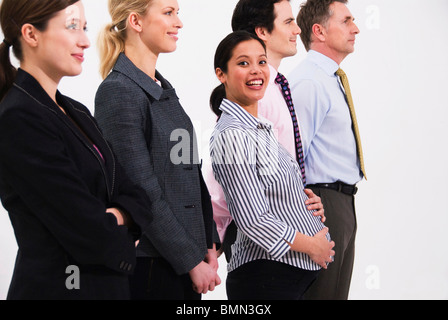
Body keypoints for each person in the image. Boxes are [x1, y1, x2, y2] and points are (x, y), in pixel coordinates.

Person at [0, 0, 152, 300]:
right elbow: (88, 229)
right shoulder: (18, 116)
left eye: (84, 27)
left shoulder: (78, 112)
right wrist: (123, 219)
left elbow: (137, 195)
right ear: (31, 34)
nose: (84, 40)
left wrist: (117, 215)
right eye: (72, 27)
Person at [94, 0, 220, 300]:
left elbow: (192, 175)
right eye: (168, 13)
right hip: (150, 264)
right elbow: (142, 190)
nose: (178, 22)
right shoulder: (118, 91)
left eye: (177, 13)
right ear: (136, 22)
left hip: (181, 261)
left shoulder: (162, 90)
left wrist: (209, 242)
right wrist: (190, 260)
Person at [209, 30, 335, 300]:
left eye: (262, 62)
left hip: (284, 278)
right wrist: (312, 245)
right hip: (263, 280)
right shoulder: (232, 135)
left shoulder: (259, 128)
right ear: (222, 74)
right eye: (243, 63)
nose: (256, 71)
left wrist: (303, 202)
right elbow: (253, 220)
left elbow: (272, 192)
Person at [204, 0, 326, 262]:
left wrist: (302, 200)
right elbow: (227, 181)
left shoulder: (275, 88)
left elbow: (280, 170)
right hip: (269, 248)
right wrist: (212, 243)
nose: (297, 30)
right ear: (262, 31)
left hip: (292, 238)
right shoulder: (254, 96)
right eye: (288, 22)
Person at [289, 0, 364, 300]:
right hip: (322, 203)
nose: (355, 28)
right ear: (319, 31)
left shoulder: (329, 79)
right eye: (346, 21)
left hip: (341, 203)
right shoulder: (309, 81)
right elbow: (291, 158)